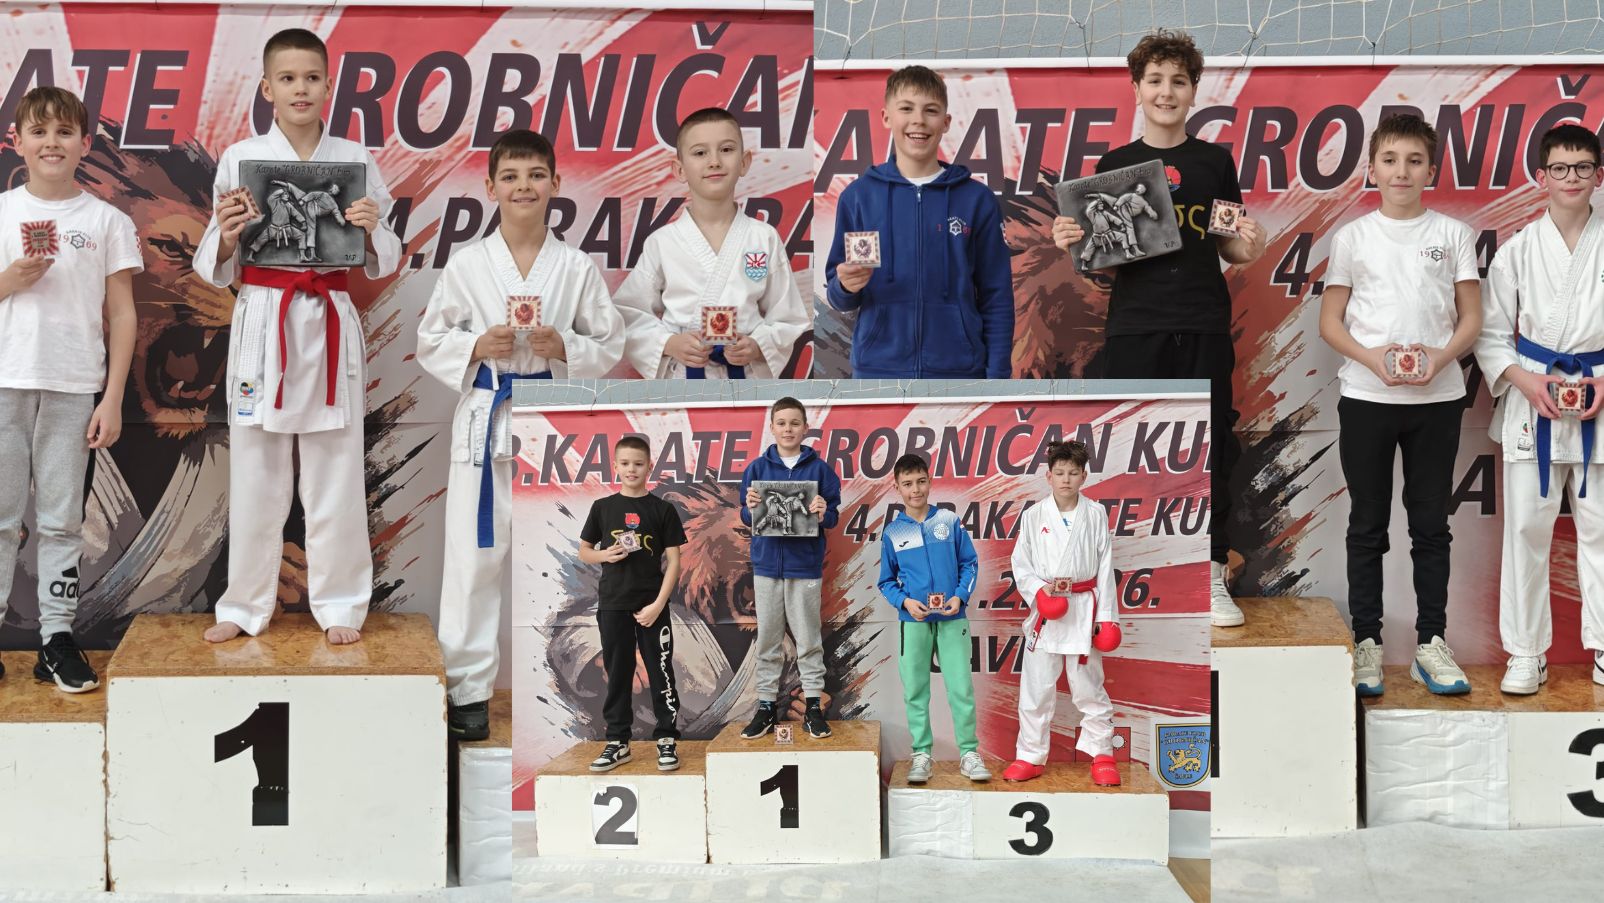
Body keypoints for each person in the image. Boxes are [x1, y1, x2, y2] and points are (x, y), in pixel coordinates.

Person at [1052, 29, 1267, 627]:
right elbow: (1100, 263)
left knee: (1212, 446)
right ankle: (1131, 573)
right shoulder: (1114, 167)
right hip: (1135, 327)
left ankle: (1210, 572)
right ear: (1137, 88)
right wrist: (1072, 243)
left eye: (1178, 81)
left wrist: (1251, 244)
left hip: (1202, 323)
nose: (1166, 91)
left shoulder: (1214, 162)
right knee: (1132, 449)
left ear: (1194, 90)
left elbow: (1230, 244)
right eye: (1155, 81)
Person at [194, 27, 402, 645]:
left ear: (329, 85)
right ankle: (244, 604)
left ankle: (340, 604)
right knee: (255, 468)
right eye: (287, 78)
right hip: (263, 317)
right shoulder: (240, 158)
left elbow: (385, 256)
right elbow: (214, 258)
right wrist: (227, 233)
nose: (300, 88)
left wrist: (370, 227)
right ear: (267, 88)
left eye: (311, 77)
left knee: (335, 469)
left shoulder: (355, 159)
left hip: (328, 314)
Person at [417, 128, 625, 739]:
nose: (523, 186)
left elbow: (609, 340)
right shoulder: (468, 264)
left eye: (535, 175)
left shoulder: (575, 266)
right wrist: (476, 345)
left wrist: (567, 347)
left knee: (561, 561)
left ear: (555, 183)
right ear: (491, 187)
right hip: (488, 417)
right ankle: (467, 690)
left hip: (553, 423)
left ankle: (571, 694)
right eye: (510, 177)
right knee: (473, 559)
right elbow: (431, 338)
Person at [1319, 113, 1482, 697]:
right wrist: (1372, 359)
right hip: (1367, 398)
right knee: (1367, 525)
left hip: (1437, 400)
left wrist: (1441, 358)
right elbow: (1331, 323)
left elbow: (1472, 319)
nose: (1401, 171)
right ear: (1372, 169)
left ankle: (1431, 644)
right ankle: (1367, 641)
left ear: (1431, 169)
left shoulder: (1454, 234)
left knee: (1430, 525)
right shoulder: (1353, 238)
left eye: (1414, 161)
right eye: (1390, 160)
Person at [0, 85, 140, 692]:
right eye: (39, 131)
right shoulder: (3, 213)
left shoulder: (107, 221)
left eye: (64, 132)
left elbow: (124, 314)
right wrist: (8, 282)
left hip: (74, 388)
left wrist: (111, 397)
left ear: (85, 144)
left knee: (61, 521)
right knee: (0, 519)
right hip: (4, 384)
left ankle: (56, 639)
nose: (51, 143)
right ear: (17, 142)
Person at [1474, 122, 1604, 694]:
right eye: (1560, 168)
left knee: (1602, 529)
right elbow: (1490, 335)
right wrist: (1526, 382)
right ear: (1540, 176)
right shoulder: (1518, 250)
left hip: (1600, 397)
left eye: (1582, 167)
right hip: (1535, 404)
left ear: (1599, 175)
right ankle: (1525, 652)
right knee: (1526, 529)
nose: (1571, 177)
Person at [824, 64, 1014, 378]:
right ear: (886, 117)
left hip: (960, 371)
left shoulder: (976, 199)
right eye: (906, 108)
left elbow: (997, 295)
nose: (918, 120)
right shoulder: (858, 197)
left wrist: (998, 377)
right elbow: (838, 296)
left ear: (946, 122)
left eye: (931, 110)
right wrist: (845, 286)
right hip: (877, 372)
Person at [615, 107, 810, 379]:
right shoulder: (662, 242)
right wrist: (670, 343)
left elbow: (788, 316)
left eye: (726, 150)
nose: (714, 162)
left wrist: (757, 345)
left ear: (744, 162)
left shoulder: (763, 237)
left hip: (746, 377)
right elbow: (627, 313)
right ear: (679, 169)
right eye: (700, 153)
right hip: (683, 377)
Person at [1001, 441, 1122, 786]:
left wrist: (1107, 618)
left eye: (1073, 473)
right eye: (1059, 473)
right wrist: (1039, 593)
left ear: (1084, 476)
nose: (1066, 479)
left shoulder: (1095, 513)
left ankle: (1102, 754)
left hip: (1084, 610)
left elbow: (1105, 568)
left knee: (1089, 688)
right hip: (1048, 612)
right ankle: (1029, 755)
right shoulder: (1033, 515)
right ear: (1048, 476)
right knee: (1036, 690)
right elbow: (1021, 564)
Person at [877, 453, 989, 782]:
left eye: (921, 482)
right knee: (915, 689)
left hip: (953, 618)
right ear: (897, 488)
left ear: (930, 481)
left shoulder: (949, 521)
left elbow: (969, 563)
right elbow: (886, 581)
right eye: (908, 484)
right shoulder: (894, 532)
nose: (915, 490)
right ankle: (922, 754)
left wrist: (960, 596)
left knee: (961, 687)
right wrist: (905, 602)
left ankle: (969, 753)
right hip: (913, 622)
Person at [578, 436, 687, 771]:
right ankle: (618, 741)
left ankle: (666, 739)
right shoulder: (603, 507)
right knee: (618, 672)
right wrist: (604, 555)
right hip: (613, 604)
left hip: (651, 606)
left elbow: (674, 562)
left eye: (638, 464)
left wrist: (658, 605)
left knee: (660, 670)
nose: (631, 469)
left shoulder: (662, 509)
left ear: (649, 467)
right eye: (625, 463)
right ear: (615, 466)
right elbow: (584, 551)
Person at [737, 397, 842, 739]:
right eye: (781, 423)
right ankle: (766, 706)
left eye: (794, 423)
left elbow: (832, 516)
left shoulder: (820, 470)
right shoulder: (757, 469)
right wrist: (749, 508)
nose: (788, 429)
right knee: (768, 639)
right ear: (772, 427)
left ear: (805, 428)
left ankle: (813, 706)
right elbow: (745, 515)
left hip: (805, 567)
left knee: (809, 639)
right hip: (767, 566)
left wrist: (823, 511)